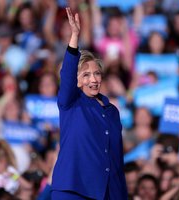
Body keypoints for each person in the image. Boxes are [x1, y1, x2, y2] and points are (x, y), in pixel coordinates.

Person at [50, 7, 127, 199]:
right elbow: (66, 73)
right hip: (72, 189)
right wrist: (75, 36)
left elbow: (116, 159)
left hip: (107, 193)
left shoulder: (112, 112)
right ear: (76, 80)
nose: (93, 79)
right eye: (86, 75)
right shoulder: (71, 102)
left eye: (97, 73)